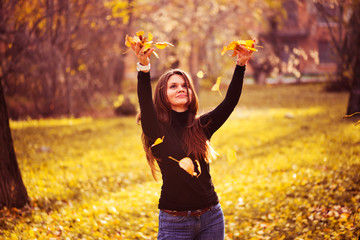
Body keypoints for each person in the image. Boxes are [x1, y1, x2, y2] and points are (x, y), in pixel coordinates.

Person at [130, 41, 253, 240]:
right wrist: (143, 67)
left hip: (211, 218)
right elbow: (144, 102)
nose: (181, 89)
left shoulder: (201, 126)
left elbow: (229, 103)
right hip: (174, 222)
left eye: (185, 85)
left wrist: (240, 65)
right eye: (173, 86)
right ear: (163, 94)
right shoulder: (156, 130)